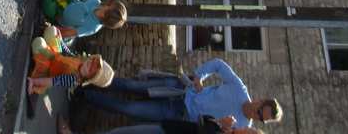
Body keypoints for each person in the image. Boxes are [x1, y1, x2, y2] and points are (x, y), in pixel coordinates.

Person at [79, 59, 282, 128]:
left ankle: (84, 94)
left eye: (261, 119)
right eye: (260, 111)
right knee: (130, 85)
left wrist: (221, 126)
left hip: (180, 115)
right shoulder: (239, 89)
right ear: (260, 101)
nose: (256, 115)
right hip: (179, 90)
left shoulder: (243, 127)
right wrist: (199, 76)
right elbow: (218, 65)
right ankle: (88, 78)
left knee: (129, 108)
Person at [28, 25, 114, 94]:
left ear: (90, 78)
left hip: (48, 69)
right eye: (93, 61)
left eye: (91, 69)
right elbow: (67, 53)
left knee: (38, 42)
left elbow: (52, 81)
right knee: (52, 30)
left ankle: (41, 57)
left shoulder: (73, 79)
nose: (90, 64)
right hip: (56, 56)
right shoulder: (80, 61)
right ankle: (46, 45)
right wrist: (60, 41)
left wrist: (34, 81)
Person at [56, 114, 265, 134]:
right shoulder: (226, 127)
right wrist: (219, 121)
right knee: (122, 131)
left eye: (249, 133)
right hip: (168, 128)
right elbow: (201, 119)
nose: (246, 129)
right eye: (250, 129)